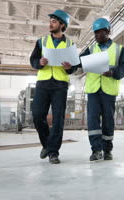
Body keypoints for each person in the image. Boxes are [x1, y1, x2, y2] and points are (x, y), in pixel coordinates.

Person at [29, 9, 76, 164]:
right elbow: (33, 60)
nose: (50, 24)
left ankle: (53, 152)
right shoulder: (41, 42)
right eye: (50, 21)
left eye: (54, 21)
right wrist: (39, 63)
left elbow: (75, 67)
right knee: (37, 115)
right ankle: (47, 145)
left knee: (58, 119)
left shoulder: (70, 44)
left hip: (60, 85)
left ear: (62, 25)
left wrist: (69, 67)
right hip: (43, 83)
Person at [80, 18, 124, 161]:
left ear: (107, 31)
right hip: (93, 90)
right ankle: (96, 150)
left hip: (109, 90)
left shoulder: (119, 49)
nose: (96, 36)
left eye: (99, 33)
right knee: (92, 121)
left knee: (108, 121)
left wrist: (113, 72)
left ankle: (107, 150)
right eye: (95, 33)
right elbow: (80, 62)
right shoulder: (90, 49)